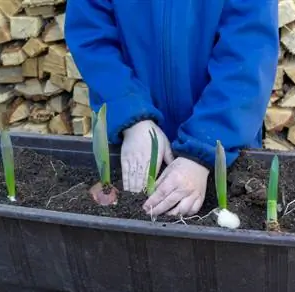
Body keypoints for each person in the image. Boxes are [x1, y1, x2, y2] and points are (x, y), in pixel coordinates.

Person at [64, 1, 279, 218]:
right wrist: (132, 115)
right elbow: (91, 36)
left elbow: (250, 53)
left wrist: (203, 149)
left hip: (224, 149)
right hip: (133, 143)